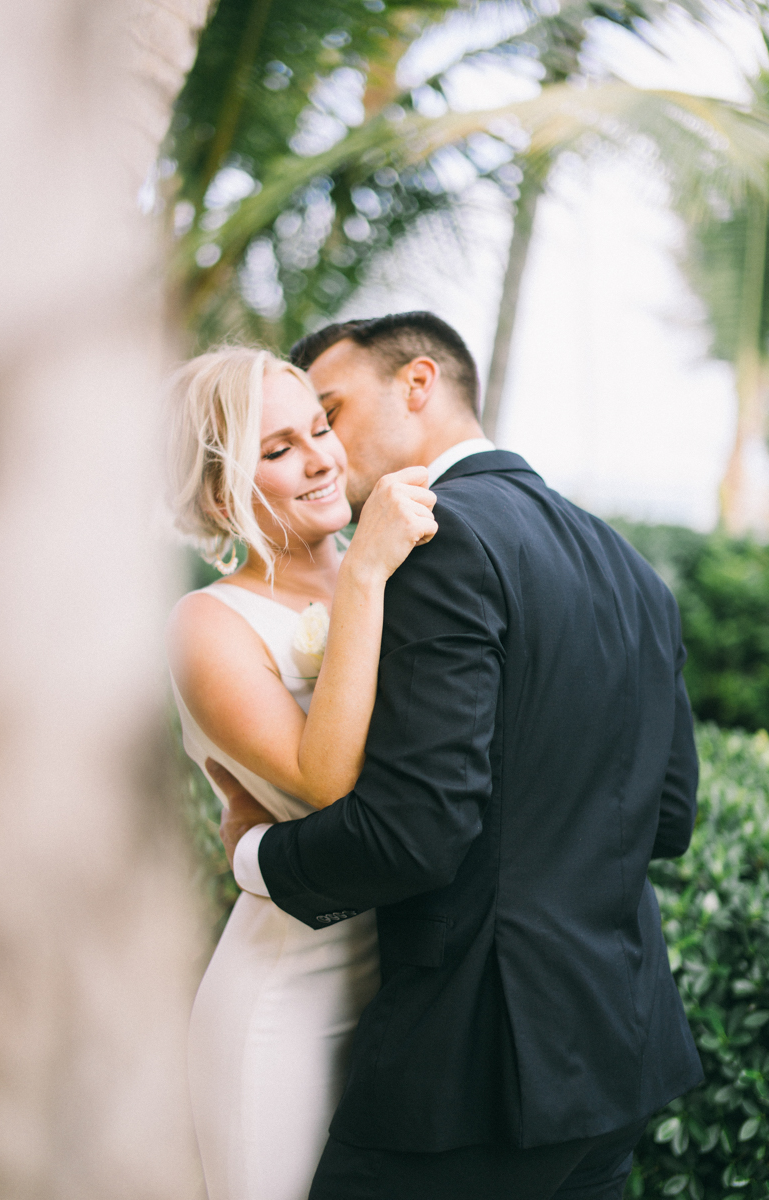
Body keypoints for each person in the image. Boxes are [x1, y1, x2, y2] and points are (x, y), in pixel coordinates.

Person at [212, 311, 704, 1200]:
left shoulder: (442, 541)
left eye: (331, 411)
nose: (326, 447)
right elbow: (666, 819)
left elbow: (414, 831)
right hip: (621, 1051)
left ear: (418, 383)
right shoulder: (631, 567)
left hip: (476, 1069)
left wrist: (253, 852)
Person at [165, 344, 439, 1200]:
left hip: (416, 985)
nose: (321, 457)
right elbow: (327, 784)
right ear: (220, 492)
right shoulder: (210, 624)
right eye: (278, 449)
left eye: (321, 428)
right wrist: (361, 572)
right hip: (286, 998)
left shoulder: (403, 565)